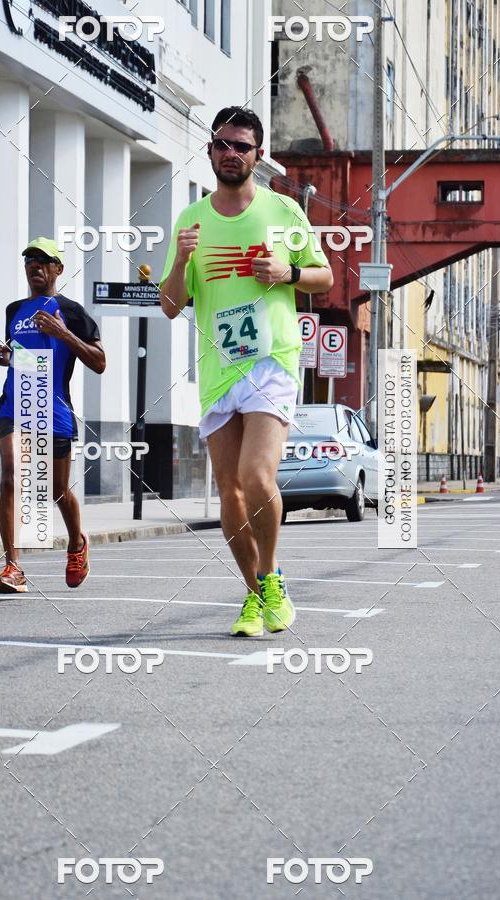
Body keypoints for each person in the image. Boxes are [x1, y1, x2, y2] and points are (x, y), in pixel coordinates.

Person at [159, 107, 333, 636]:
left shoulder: (282, 210)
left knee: (257, 476)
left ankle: (273, 577)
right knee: (230, 491)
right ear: (210, 152)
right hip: (218, 369)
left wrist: (289, 272)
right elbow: (170, 304)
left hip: (272, 360)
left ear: (259, 156)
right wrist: (179, 264)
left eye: (242, 146)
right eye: (222, 145)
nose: (231, 154)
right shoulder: (190, 220)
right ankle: (254, 596)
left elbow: (324, 278)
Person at [0, 237, 106, 594]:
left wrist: (62, 332)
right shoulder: (14, 310)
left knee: (57, 491)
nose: (34, 265)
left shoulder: (72, 311)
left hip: (55, 412)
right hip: (14, 407)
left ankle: (76, 544)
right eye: (29, 260)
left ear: (58, 268)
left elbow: (99, 363)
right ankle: (13, 567)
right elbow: (30, 360)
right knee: (12, 478)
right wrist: (2, 356)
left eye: (43, 260)